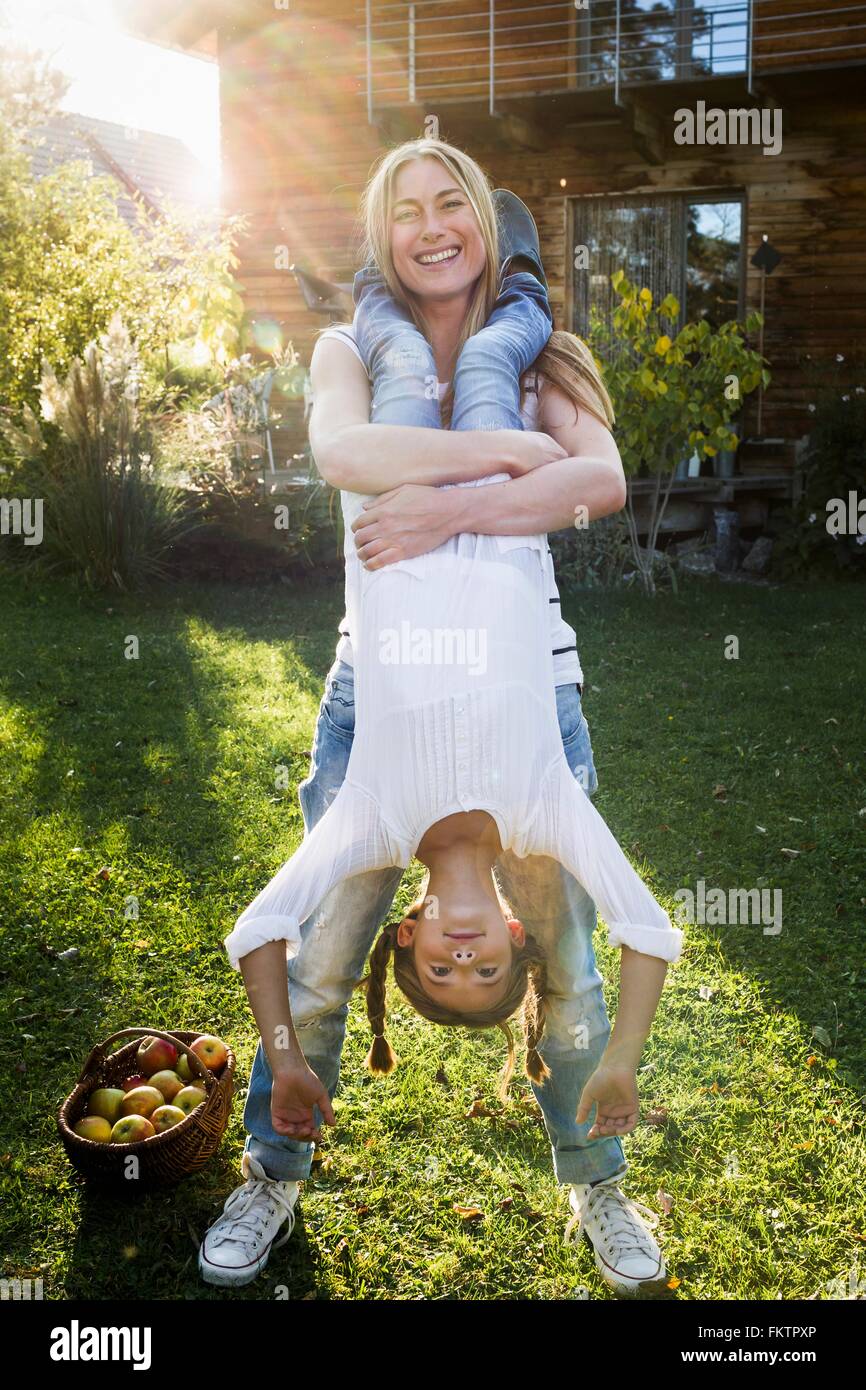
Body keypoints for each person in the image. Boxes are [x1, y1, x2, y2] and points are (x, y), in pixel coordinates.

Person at [199, 138, 682, 1295]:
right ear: (382, 239)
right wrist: (499, 463)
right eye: (403, 210)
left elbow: (598, 483)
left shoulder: (546, 355)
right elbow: (339, 451)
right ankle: (274, 1168)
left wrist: (430, 512)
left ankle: (595, 1180)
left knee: (564, 956)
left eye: (449, 202)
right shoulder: (347, 348)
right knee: (317, 959)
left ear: (480, 220)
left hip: (532, 691)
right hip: (380, 696)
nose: (429, 225)